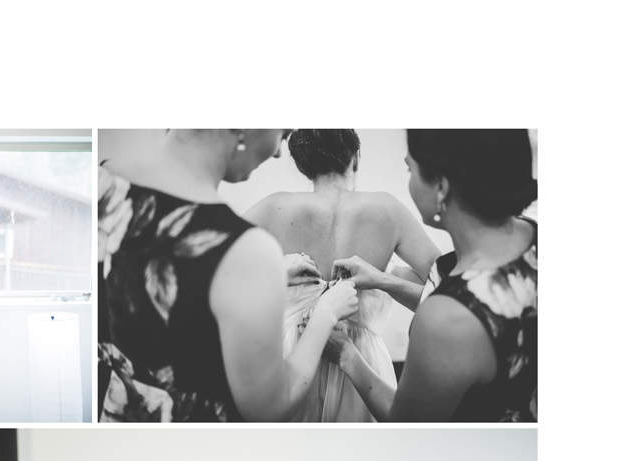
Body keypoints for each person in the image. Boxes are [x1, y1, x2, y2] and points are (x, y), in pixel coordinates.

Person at [97, 129, 358, 421]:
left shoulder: (100, 183)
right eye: (282, 134)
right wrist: (325, 314)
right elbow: (270, 407)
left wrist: (250, 278)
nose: (277, 153)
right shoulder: (246, 249)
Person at [331, 130, 537, 421]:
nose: (409, 181)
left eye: (409, 168)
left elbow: (405, 424)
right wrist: (382, 279)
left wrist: (347, 355)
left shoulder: (444, 321)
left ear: (441, 187)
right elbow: (477, 311)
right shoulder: (530, 235)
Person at [243, 129, 440, 421]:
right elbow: (451, 292)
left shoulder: (274, 207)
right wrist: (387, 280)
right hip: (364, 366)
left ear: (303, 165)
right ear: (356, 158)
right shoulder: (388, 209)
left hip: (292, 360)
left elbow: (211, 271)